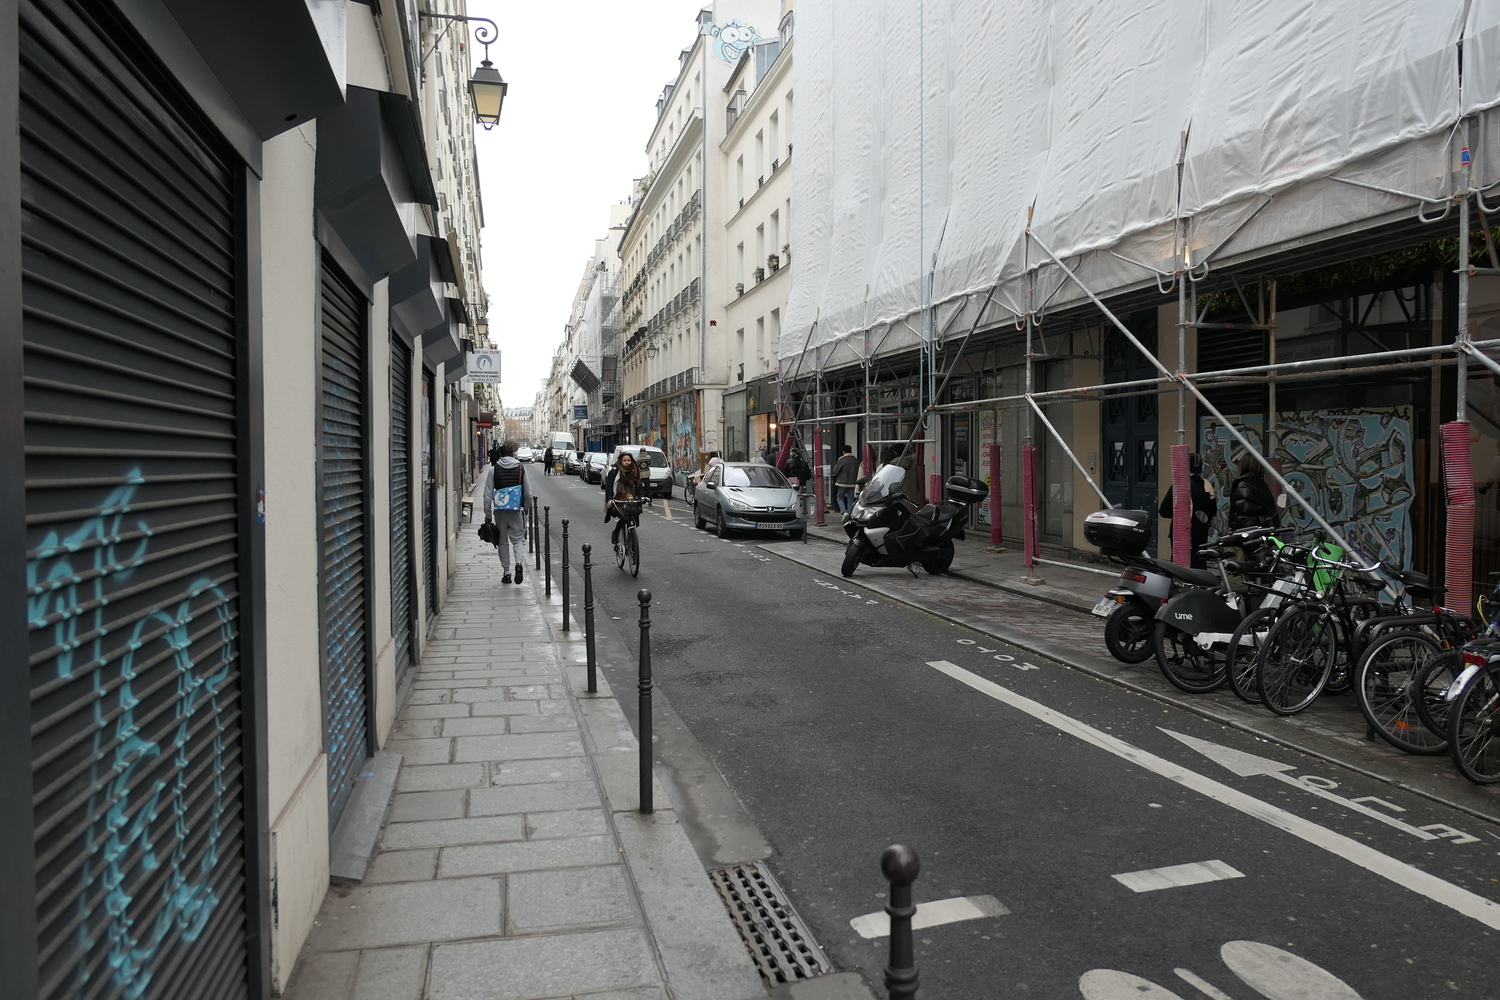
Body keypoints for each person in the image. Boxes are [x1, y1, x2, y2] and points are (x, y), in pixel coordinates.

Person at [1158, 453, 1219, 568]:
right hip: (1201, 533)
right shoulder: (1207, 484)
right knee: (1199, 564)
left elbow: (1164, 511)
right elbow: (1213, 511)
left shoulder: (1179, 485)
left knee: (1180, 566)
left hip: (1181, 532)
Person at [482, 441, 530, 585]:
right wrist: (526, 507)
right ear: (513, 454)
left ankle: (507, 572)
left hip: (500, 510)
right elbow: (528, 492)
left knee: (502, 541)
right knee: (518, 539)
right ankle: (519, 563)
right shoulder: (521, 468)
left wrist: (488, 514)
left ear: (501, 454)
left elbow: (487, 494)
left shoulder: (494, 469)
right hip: (516, 510)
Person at [1228, 451, 1279, 531]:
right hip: (1260, 532)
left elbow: (1241, 517)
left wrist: (1234, 528)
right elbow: (1270, 511)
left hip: (1248, 534)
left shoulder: (1242, 486)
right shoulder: (1260, 485)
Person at [604, 452, 644, 546]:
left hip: (631, 501)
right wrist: (610, 499)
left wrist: (642, 497)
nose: (627, 462)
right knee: (625, 517)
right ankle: (616, 532)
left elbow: (639, 487)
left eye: (629, 460)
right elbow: (609, 487)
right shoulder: (614, 472)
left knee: (633, 520)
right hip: (617, 501)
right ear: (620, 461)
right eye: (625, 460)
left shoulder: (635, 472)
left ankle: (632, 549)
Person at [831, 444, 861, 515]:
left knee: (840, 498)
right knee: (850, 499)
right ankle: (849, 513)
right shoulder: (856, 461)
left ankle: (844, 512)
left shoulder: (841, 460)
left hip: (842, 483)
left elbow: (835, 471)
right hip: (853, 483)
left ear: (843, 452)